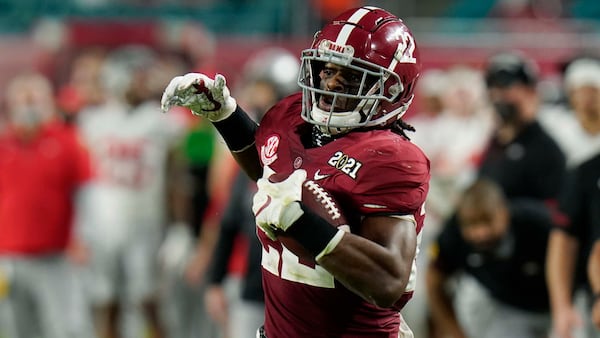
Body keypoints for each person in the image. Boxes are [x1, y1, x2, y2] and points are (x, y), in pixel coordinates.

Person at [161, 6, 430, 337]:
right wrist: (226, 115)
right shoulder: (293, 121)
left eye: (351, 77)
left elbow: (388, 281)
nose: (331, 83)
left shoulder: (391, 158)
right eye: (327, 70)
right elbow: (270, 169)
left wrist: (300, 223)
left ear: (390, 90)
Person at [78, 46, 187, 338]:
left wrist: (180, 227)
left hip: (146, 224)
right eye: (138, 76)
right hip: (104, 224)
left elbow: (177, 177)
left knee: (149, 301)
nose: (144, 82)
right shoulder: (93, 120)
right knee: (106, 302)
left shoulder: (163, 121)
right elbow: (81, 179)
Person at [0, 72, 96, 338]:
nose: (29, 106)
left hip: (55, 256)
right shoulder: (3, 143)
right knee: (18, 328)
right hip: (9, 256)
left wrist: (82, 237)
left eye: (34, 100)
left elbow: (86, 193)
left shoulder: (67, 141)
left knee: (63, 327)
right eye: (24, 99)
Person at [426, 178, 555, 338]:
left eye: (487, 221)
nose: (481, 233)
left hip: (565, 304)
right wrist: (455, 332)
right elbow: (434, 281)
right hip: (510, 309)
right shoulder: (452, 235)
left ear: (504, 212)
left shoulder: (539, 224)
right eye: (471, 224)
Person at [479, 51, 566, 201]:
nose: (499, 94)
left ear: (530, 91)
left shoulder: (545, 149)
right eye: (493, 85)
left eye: (507, 85)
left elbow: (553, 212)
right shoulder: (493, 142)